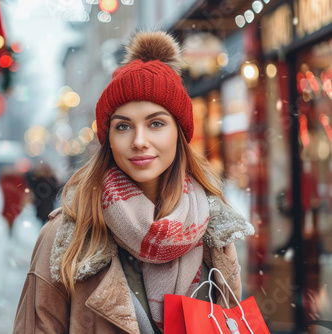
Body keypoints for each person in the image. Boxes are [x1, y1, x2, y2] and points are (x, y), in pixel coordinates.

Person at [13, 31, 254, 333]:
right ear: (109, 139)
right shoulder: (65, 237)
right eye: (124, 126)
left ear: (178, 134)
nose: (139, 141)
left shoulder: (214, 231)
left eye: (156, 123)